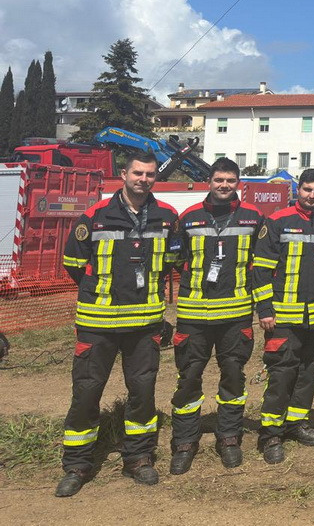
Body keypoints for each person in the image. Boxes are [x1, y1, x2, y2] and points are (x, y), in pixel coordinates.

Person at [55, 151, 179, 497]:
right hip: (98, 323)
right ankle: (77, 464)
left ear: (155, 177)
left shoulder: (167, 216)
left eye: (150, 174)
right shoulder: (95, 215)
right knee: (86, 393)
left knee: (142, 393)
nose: (143, 179)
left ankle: (138, 458)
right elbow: (74, 264)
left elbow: (171, 261)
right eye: (137, 173)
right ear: (123, 174)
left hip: (144, 325)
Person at [167, 158, 265, 473]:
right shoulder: (188, 218)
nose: (224, 185)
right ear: (209, 181)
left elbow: (262, 265)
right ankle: (185, 442)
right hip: (193, 315)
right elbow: (174, 259)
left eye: (230, 180)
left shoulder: (254, 218)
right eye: (219, 179)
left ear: (238, 183)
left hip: (236, 315)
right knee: (188, 378)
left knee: (233, 377)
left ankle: (229, 437)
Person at [250, 168, 314, 463]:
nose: (312, 196)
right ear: (297, 189)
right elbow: (261, 269)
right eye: (307, 189)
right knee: (281, 373)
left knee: (308, 371)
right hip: (282, 315)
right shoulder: (278, 221)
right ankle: (271, 433)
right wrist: (265, 309)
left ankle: (296, 422)